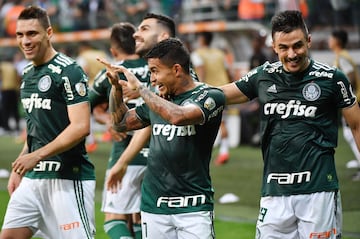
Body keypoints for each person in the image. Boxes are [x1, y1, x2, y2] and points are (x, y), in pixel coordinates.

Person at [220, 10, 360, 238]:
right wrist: (186, 92)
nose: (292, 54)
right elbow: (223, 94)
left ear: (309, 41)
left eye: (298, 46)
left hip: (318, 192)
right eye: (283, 48)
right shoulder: (263, 76)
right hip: (274, 193)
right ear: (274, 47)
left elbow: (357, 125)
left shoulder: (332, 79)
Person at [100, 37, 225, 239]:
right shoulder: (158, 99)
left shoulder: (210, 95)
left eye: (155, 71)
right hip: (154, 206)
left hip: (193, 206)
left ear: (176, 69)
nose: (152, 79)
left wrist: (140, 89)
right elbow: (121, 123)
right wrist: (115, 89)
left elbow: (178, 116)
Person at [0, 5, 96, 239]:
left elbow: (81, 126)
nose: (25, 41)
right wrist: (20, 167)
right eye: (20, 35)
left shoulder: (69, 71)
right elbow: (34, 129)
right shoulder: (29, 74)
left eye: (32, 33)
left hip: (67, 178)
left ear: (49, 33)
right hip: (33, 180)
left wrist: (36, 156)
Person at [89, 22, 149, 239]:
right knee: (140, 217)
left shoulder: (112, 71)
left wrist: (109, 121)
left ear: (113, 51)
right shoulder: (156, 66)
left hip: (126, 154)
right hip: (159, 151)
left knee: (114, 218)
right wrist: (107, 119)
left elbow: (85, 105)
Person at [191, 31, 231, 165]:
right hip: (224, 89)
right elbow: (228, 72)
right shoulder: (220, 54)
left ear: (201, 39)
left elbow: (200, 70)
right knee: (220, 121)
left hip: (208, 92)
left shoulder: (197, 54)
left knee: (210, 122)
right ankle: (220, 150)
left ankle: (223, 152)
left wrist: (198, 89)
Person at [328, 29, 360, 181]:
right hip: (351, 100)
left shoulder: (342, 57)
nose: (329, 41)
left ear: (337, 41)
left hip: (352, 101)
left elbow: (351, 78)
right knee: (349, 134)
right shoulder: (341, 56)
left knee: (351, 133)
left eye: (331, 38)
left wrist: (339, 91)